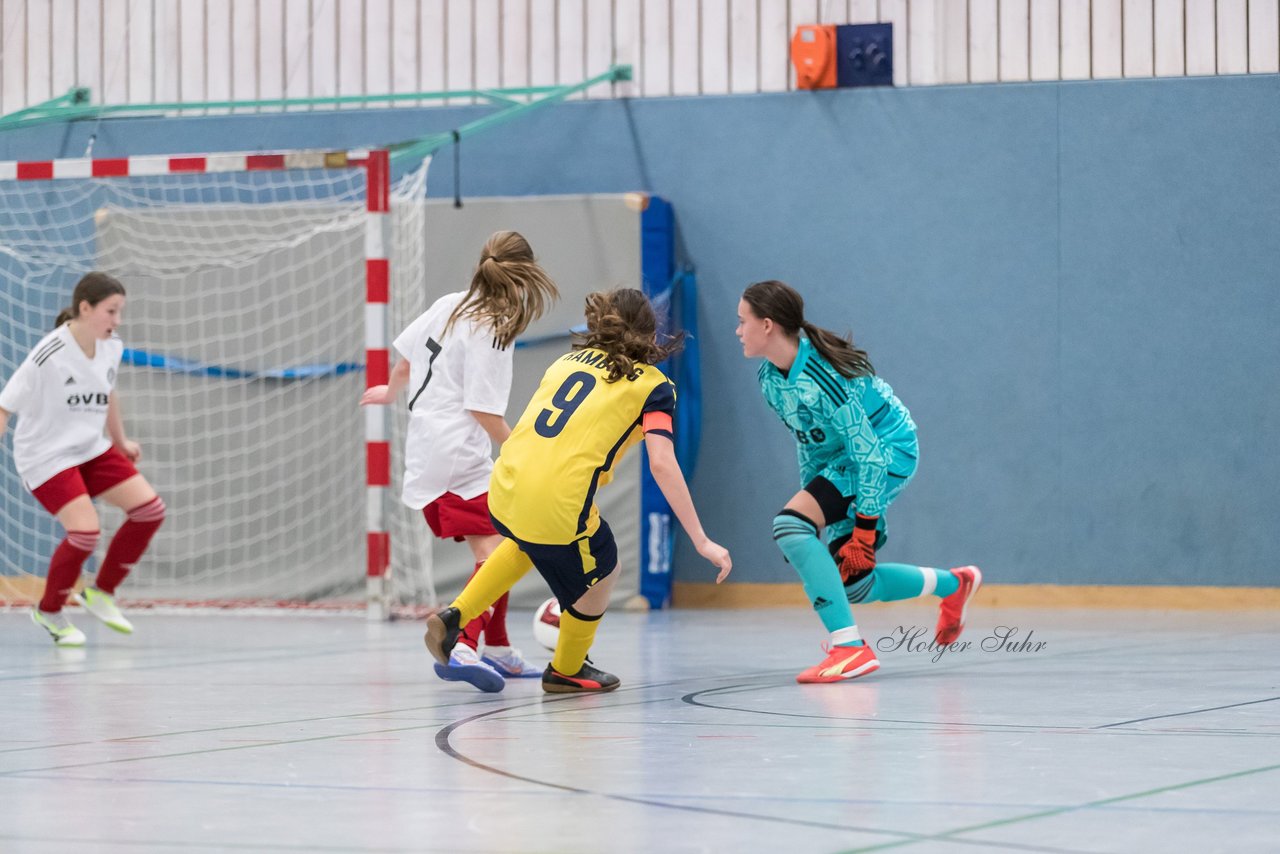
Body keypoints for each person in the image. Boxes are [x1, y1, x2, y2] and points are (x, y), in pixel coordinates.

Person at [424, 288, 732, 694]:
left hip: (504, 486)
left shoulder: (565, 362)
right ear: (649, 333)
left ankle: (457, 616)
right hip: (557, 504)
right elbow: (661, 462)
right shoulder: (654, 387)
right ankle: (568, 668)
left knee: (524, 539)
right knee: (605, 569)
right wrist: (701, 539)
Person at [736, 280, 980, 683]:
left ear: (766, 325)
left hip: (887, 451)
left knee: (789, 526)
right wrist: (813, 518)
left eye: (741, 321)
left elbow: (867, 455)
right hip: (845, 458)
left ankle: (849, 647)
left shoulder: (823, 376)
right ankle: (955, 585)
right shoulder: (770, 379)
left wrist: (863, 529)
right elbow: (810, 445)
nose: (737, 330)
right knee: (854, 585)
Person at [361, 231, 559, 693]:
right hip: (459, 457)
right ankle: (463, 642)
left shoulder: (452, 303)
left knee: (504, 543)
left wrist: (389, 393)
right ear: (524, 276)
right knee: (503, 552)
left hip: (427, 448)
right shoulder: (493, 328)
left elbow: (407, 360)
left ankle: (498, 649)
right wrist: (521, 451)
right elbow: (482, 410)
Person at [0, 272, 166, 647]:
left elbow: (107, 393)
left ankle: (101, 592)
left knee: (149, 510)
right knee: (85, 532)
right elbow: (4, 406)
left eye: (120, 312)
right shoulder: (49, 354)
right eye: (111, 311)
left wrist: (120, 442)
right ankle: (49, 611)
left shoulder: (112, 347)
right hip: (45, 455)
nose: (117, 321)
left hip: (90, 447)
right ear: (85, 308)